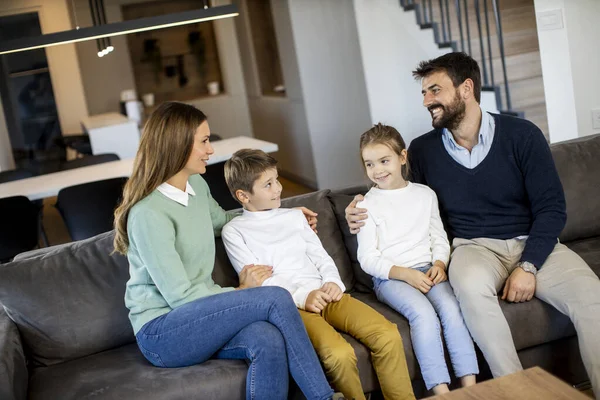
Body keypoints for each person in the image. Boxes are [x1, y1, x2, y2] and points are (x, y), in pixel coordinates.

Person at [345, 52, 600, 398]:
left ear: (466, 88)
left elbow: (552, 209)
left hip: (536, 244)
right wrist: (358, 206)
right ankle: (520, 393)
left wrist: (529, 265)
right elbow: (397, 195)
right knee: (469, 291)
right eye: (423, 93)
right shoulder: (422, 151)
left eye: (434, 90)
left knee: (592, 299)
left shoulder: (522, 135)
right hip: (473, 249)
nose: (426, 101)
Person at [113, 102, 335, 400]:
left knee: (267, 338)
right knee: (275, 297)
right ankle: (324, 397)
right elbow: (179, 296)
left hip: (200, 318)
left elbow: (226, 221)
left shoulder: (196, 185)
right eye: (204, 141)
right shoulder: (149, 214)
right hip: (163, 332)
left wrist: (285, 218)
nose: (211, 150)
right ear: (178, 145)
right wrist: (241, 291)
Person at [220, 149, 416, 400]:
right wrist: (305, 296)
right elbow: (261, 281)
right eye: (268, 185)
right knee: (339, 354)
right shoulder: (235, 231)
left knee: (388, 334)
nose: (278, 188)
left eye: (277, 179)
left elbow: (321, 256)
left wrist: (333, 282)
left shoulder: (294, 217)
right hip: (292, 307)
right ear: (243, 195)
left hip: (326, 292)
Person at [355, 123, 478, 395]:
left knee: (452, 309)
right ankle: (441, 391)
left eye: (384, 161)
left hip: (428, 270)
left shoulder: (425, 195)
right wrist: (404, 274)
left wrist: (440, 264)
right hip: (391, 279)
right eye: (370, 164)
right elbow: (367, 258)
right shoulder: (366, 204)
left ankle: (470, 387)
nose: (378, 170)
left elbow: (438, 238)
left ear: (402, 157)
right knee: (424, 316)